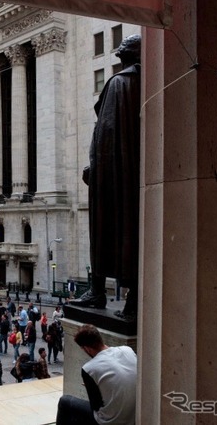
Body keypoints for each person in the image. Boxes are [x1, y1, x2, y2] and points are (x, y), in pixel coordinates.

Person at [76, 34, 142, 321]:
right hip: (136, 177)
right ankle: (135, 299)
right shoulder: (145, 82)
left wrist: (95, 169)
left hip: (111, 178)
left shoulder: (118, 83)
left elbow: (105, 133)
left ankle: (97, 290)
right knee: (133, 236)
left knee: (102, 233)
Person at [56, 324, 137, 425]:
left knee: (64, 402)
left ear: (87, 348)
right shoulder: (127, 350)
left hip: (111, 421)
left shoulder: (89, 369)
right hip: (135, 415)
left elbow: (96, 406)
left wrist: (91, 387)